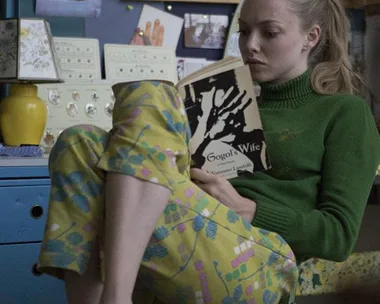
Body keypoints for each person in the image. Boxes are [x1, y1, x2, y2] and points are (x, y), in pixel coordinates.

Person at [37, 0, 380, 304]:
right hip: (194, 231)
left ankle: (116, 296)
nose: (251, 45)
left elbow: (338, 236)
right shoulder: (228, 100)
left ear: (312, 37)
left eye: (270, 33)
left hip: (265, 262)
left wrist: (248, 209)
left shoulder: (344, 112)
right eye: (245, 32)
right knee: (79, 142)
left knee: (151, 94)